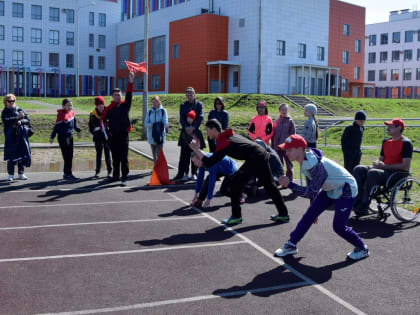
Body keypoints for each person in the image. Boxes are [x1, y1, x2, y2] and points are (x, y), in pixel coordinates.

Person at [274, 134, 369, 261]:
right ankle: (291, 244)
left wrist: (289, 184)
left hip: (346, 189)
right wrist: (313, 207)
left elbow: (310, 192)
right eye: (286, 149)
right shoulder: (305, 159)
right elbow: (312, 187)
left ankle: (362, 248)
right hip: (330, 188)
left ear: (300, 149)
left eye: (289, 149)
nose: (286, 153)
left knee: (339, 227)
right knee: (309, 215)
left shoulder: (315, 165)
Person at [189, 119, 289, 225]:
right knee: (270, 185)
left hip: (256, 157)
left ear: (214, 129)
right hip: (260, 154)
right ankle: (283, 214)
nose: (206, 132)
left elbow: (210, 162)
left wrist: (196, 149)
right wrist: (263, 152)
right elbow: (248, 139)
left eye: (207, 130)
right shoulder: (230, 136)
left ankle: (236, 216)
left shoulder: (224, 141)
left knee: (235, 184)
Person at [352, 118, 413, 216]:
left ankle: (363, 205)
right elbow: (381, 158)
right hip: (384, 171)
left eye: (390, 126)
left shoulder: (406, 143)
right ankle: (356, 201)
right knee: (359, 169)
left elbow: (405, 166)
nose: (388, 128)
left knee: (373, 173)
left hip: (397, 174)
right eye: (387, 126)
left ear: (399, 128)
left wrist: (384, 167)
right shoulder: (386, 141)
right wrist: (377, 163)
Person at [101, 72, 135, 186]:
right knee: (115, 158)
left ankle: (124, 177)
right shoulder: (108, 109)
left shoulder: (126, 105)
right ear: (112, 96)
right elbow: (102, 121)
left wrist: (130, 81)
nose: (118, 96)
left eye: (119, 94)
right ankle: (115, 176)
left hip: (124, 136)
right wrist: (107, 134)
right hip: (113, 137)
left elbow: (129, 94)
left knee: (123, 157)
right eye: (115, 95)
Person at [172, 87, 204, 181]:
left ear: (194, 95)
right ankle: (183, 173)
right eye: (188, 95)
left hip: (196, 132)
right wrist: (186, 127)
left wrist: (193, 127)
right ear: (186, 96)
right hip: (185, 132)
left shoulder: (199, 104)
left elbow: (200, 117)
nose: (189, 96)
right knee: (184, 154)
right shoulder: (183, 105)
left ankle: (194, 173)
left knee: (195, 153)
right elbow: (182, 118)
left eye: (191, 94)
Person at [2, 94, 31, 182]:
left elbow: (27, 120)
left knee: (21, 155)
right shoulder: (4, 111)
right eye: (9, 101)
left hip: (20, 136)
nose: (11, 103)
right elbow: (6, 120)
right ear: (5, 102)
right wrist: (16, 118)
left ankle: (21, 173)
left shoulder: (19, 109)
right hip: (10, 136)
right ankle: (10, 175)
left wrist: (21, 121)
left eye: (13, 101)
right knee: (11, 156)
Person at [50, 98, 81, 180]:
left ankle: (68, 173)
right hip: (62, 138)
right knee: (67, 156)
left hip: (70, 137)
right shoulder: (61, 115)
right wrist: (52, 137)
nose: (70, 107)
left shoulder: (72, 114)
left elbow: (75, 125)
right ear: (63, 106)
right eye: (68, 105)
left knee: (70, 156)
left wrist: (78, 131)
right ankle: (67, 174)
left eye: (71, 105)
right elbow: (56, 127)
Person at [178, 110, 206, 180]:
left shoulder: (196, 128)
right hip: (186, 147)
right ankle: (186, 174)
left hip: (194, 147)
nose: (189, 119)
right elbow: (182, 137)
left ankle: (194, 174)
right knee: (186, 161)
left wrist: (198, 147)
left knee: (195, 161)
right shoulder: (185, 128)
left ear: (194, 119)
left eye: (191, 118)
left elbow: (199, 138)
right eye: (188, 118)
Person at [89, 96, 112, 178]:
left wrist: (108, 130)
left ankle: (109, 171)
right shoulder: (92, 114)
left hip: (107, 137)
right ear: (96, 105)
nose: (100, 106)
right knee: (98, 154)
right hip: (97, 137)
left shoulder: (108, 112)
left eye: (102, 104)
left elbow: (112, 123)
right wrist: (94, 133)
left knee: (107, 154)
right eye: (99, 105)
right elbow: (90, 126)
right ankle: (97, 171)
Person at [272, 103, 296, 181]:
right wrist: (273, 145)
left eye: (285, 109)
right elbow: (273, 134)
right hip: (277, 147)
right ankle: (280, 180)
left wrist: (287, 143)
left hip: (287, 148)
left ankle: (289, 180)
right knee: (279, 164)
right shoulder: (277, 121)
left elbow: (293, 135)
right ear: (279, 110)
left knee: (289, 165)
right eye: (282, 109)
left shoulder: (290, 121)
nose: (284, 111)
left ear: (288, 110)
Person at [144, 96, 168, 164]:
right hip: (151, 135)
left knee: (159, 153)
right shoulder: (149, 111)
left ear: (159, 102)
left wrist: (166, 129)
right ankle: (155, 168)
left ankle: (160, 168)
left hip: (160, 136)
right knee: (154, 155)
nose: (154, 103)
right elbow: (146, 123)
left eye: (156, 101)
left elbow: (165, 121)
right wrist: (151, 125)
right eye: (153, 102)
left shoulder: (163, 111)